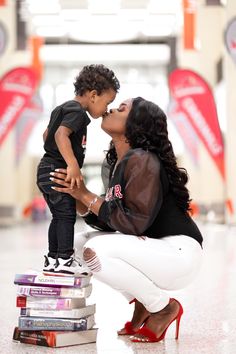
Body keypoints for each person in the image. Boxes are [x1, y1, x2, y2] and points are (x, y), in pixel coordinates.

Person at [50, 97, 203, 343]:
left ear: (137, 124)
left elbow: (134, 224)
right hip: (154, 249)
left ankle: (162, 307)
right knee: (76, 244)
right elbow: (112, 220)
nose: (110, 109)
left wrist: (85, 195)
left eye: (122, 108)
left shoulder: (143, 160)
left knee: (94, 250)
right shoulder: (119, 162)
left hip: (179, 253)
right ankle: (142, 302)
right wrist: (75, 193)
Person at [36, 64, 120, 275]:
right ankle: (64, 259)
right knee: (65, 217)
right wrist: (72, 164)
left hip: (45, 168)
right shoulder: (78, 113)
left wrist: (55, 155)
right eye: (107, 102)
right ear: (93, 95)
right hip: (58, 169)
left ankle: (53, 258)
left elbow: (47, 135)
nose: (106, 110)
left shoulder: (61, 108)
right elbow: (59, 135)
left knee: (58, 215)